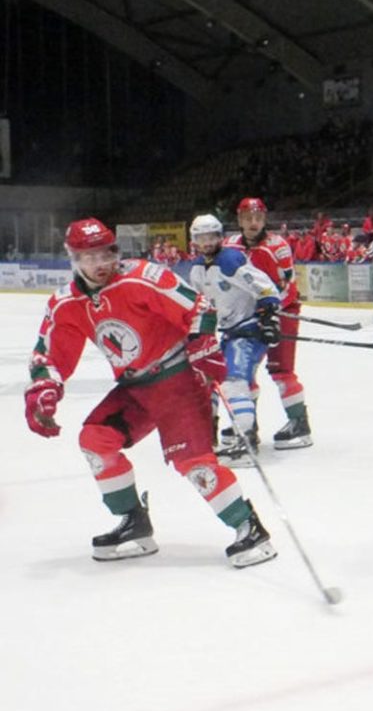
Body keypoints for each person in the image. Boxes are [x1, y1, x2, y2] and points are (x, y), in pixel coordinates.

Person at [25, 218, 275, 568]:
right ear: (73, 259)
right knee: (95, 439)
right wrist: (44, 387)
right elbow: (47, 355)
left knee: (193, 463)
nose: (99, 265)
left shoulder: (143, 276)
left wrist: (202, 341)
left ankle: (248, 528)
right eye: (88, 257)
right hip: (135, 388)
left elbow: (198, 306)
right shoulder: (66, 302)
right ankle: (134, 523)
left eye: (104, 255)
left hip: (178, 379)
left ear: (115, 252)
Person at [178, 214, 282, 465]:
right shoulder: (196, 269)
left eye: (212, 236)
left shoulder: (231, 260)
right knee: (209, 379)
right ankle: (211, 432)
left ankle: (245, 441)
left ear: (220, 237)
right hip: (228, 332)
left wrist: (269, 315)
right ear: (194, 240)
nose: (207, 242)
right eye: (201, 238)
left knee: (234, 381)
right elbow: (203, 306)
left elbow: (265, 286)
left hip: (248, 331)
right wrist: (196, 333)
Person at [225, 197, 312, 449]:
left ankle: (299, 424)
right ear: (239, 220)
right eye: (248, 218)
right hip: (246, 317)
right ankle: (247, 425)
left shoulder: (278, 246)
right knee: (243, 370)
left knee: (281, 370)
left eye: (258, 218)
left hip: (281, 314)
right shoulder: (229, 246)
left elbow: (288, 288)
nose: (253, 223)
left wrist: (270, 312)